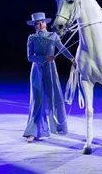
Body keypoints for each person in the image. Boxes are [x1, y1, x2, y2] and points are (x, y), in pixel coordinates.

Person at [23, 12, 76, 142]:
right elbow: (30, 57)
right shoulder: (32, 38)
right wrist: (44, 58)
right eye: (37, 23)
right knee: (37, 99)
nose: (40, 25)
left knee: (56, 96)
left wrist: (72, 59)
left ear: (45, 23)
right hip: (37, 70)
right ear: (35, 26)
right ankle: (34, 131)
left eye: (42, 22)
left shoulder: (53, 36)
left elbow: (62, 49)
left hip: (51, 70)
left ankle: (58, 126)